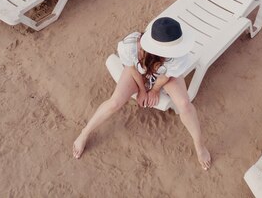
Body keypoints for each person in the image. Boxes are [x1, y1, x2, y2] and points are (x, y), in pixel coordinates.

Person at [72, 17, 212, 170]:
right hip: (139, 72)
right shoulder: (130, 46)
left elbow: (166, 76)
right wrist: (143, 90)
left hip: (164, 76)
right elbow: (131, 68)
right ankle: (84, 133)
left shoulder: (179, 55)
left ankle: (200, 146)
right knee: (115, 102)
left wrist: (154, 90)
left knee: (185, 104)